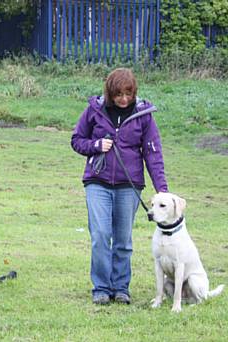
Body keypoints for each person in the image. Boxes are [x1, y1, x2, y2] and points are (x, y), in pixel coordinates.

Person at [71, 68, 168, 305]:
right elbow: (76, 140)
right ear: (109, 92)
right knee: (101, 236)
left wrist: (162, 189)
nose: (124, 99)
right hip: (97, 182)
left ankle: (121, 288)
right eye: (118, 94)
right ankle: (101, 288)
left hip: (129, 184)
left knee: (123, 240)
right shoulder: (94, 110)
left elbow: (153, 154)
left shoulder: (144, 114)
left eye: (128, 94)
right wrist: (96, 144)